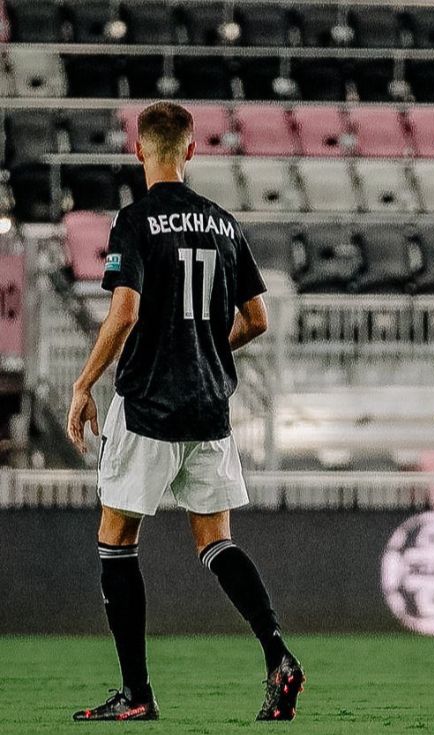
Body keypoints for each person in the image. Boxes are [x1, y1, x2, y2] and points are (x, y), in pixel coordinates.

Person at [66, 102, 303, 721]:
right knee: (216, 540)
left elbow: (123, 311)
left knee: (116, 538)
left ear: (139, 149)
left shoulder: (135, 220)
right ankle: (277, 652)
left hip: (147, 405)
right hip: (209, 407)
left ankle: (138, 694)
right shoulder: (223, 223)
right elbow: (257, 319)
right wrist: (201, 345)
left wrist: (84, 383)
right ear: (192, 151)